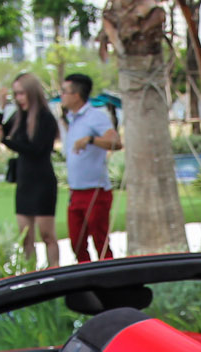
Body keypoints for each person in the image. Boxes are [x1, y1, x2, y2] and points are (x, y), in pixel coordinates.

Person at [0, 73, 59, 269]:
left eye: (22, 93)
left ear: (31, 92)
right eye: (16, 94)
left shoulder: (45, 118)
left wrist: (6, 141)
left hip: (42, 181)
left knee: (47, 234)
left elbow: (35, 149)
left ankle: (54, 269)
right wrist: (1, 107)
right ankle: (31, 275)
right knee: (25, 236)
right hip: (24, 182)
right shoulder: (19, 117)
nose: (19, 98)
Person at [61, 74, 121, 263]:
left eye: (65, 91)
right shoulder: (73, 120)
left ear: (77, 95)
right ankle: (86, 281)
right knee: (77, 243)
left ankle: (109, 280)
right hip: (76, 191)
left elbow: (115, 142)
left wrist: (91, 139)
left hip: (95, 191)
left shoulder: (94, 117)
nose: (61, 95)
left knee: (100, 241)